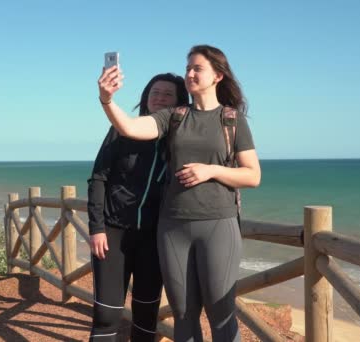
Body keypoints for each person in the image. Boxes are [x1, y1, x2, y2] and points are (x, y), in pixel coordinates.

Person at [97, 45, 261, 342]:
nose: (189, 74)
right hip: (172, 227)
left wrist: (211, 171)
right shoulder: (174, 116)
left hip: (218, 223)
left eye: (197, 68)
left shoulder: (232, 120)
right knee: (183, 315)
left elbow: (253, 175)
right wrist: (107, 100)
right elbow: (131, 127)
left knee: (221, 314)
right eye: (188, 68)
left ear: (217, 76)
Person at [87, 73, 189, 341]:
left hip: (154, 238)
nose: (160, 98)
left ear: (180, 102)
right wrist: (97, 227)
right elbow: (98, 178)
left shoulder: (182, 140)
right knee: (106, 315)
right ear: (146, 97)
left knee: (146, 317)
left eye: (168, 94)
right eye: (155, 92)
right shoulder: (122, 129)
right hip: (113, 233)